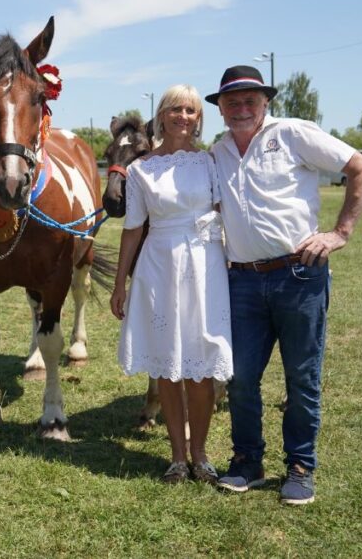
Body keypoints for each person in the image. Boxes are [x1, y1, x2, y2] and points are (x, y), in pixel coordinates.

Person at [206, 65, 362, 505]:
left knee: (301, 377)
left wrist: (339, 233)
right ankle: (247, 462)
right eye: (232, 102)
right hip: (242, 281)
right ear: (220, 109)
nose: (241, 108)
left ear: (265, 102)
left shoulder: (293, 134)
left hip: (299, 274)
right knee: (241, 377)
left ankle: (300, 466)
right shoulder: (218, 152)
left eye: (250, 100)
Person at [109, 84, 233, 484]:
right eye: (175, 109)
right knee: (168, 366)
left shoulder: (211, 162)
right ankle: (177, 457)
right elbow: (132, 229)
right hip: (159, 265)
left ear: (199, 119)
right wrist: (119, 284)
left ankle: (201, 454)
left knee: (201, 367)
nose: (183, 116)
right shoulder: (141, 170)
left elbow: (226, 212)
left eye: (191, 110)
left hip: (205, 265)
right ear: (161, 115)